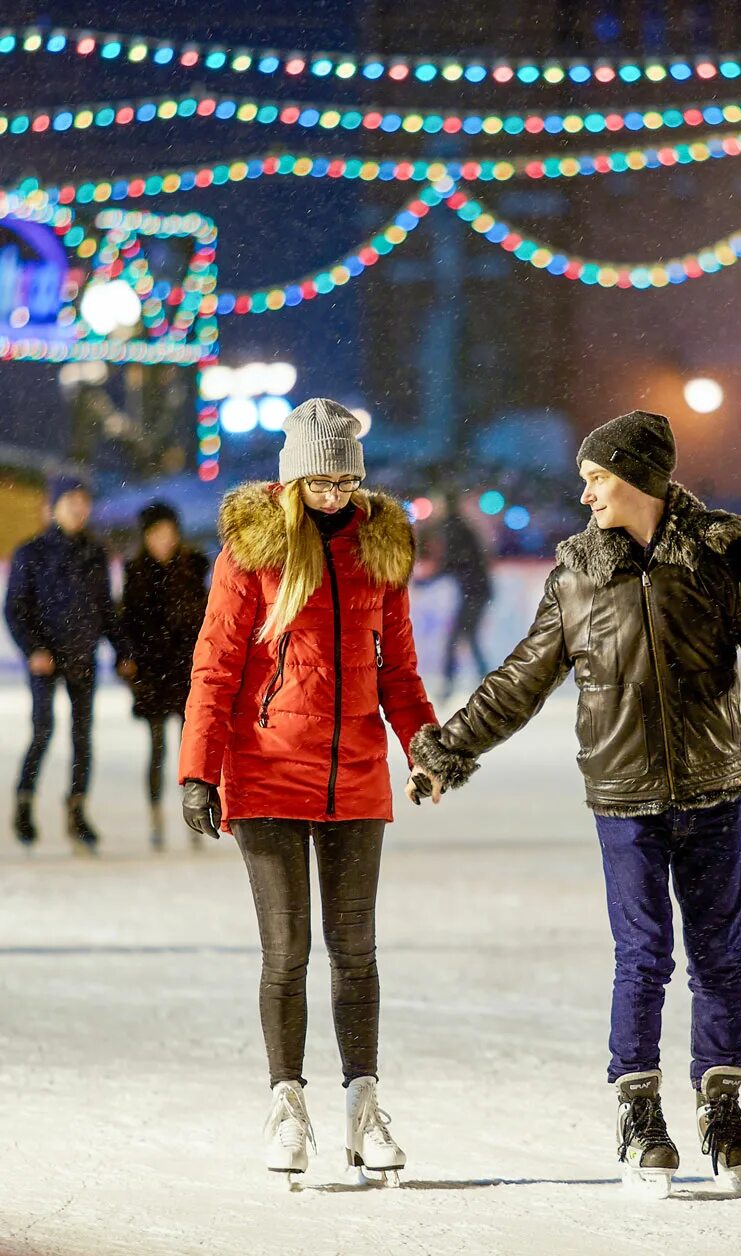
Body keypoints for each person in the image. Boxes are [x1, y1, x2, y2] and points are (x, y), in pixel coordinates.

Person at [408, 410, 741, 1198]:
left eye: (597, 477)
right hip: (623, 796)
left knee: (721, 955)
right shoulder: (579, 575)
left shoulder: (720, 557)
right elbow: (521, 678)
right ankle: (640, 1109)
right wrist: (449, 751)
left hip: (712, 786)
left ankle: (721, 1106)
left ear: (639, 478)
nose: (586, 492)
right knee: (645, 953)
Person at [177, 399, 436, 1186]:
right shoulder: (254, 552)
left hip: (356, 778)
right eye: (320, 480)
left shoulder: (379, 551)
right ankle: (287, 1105)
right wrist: (198, 769)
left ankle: (364, 1106)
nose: (334, 494)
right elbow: (216, 666)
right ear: (293, 477)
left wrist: (426, 748)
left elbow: (400, 671)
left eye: (345, 480)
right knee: (286, 954)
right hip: (265, 776)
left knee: (355, 954)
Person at [4, 475, 127, 854]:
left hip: (81, 655)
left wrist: (122, 651)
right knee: (43, 730)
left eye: (82, 501)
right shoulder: (31, 552)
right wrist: (33, 650)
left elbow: (106, 609)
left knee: (82, 737)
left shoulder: (95, 552)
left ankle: (77, 812)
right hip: (45, 658)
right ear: (53, 507)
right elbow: (15, 609)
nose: (78, 508)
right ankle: (24, 803)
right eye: (70, 501)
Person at [118, 500, 210, 849]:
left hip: (187, 670)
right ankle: (156, 814)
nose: (164, 540)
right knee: (156, 748)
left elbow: (205, 618)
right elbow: (126, 621)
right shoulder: (136, 571)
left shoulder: (192, 567)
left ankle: (194, 814)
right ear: (146, 536)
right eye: (157, 534)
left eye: (169, 533)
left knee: (190, 749)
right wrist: (128, 659)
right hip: (153, 673)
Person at [427, 488, 493, 697]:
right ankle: (487, 681)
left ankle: (450, 683)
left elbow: (454, 561)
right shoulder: (458, 526)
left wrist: (427, 580)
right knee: (468, 636)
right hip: (477, 589)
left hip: (475, 590)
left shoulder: (454, 528)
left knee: (457, 637)